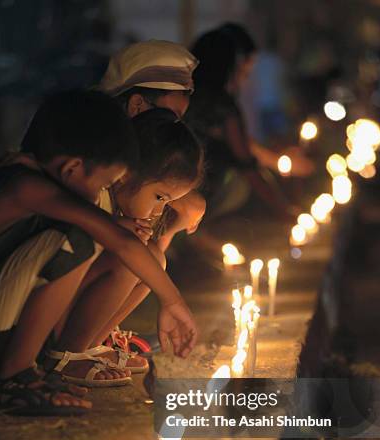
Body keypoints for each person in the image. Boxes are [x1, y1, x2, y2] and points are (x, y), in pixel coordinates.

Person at [0, 90, 197, 416]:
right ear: (73, 168)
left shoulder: (34, 180)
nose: (103, 193)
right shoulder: (26, 186)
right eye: (105, 182)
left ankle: (23, 370)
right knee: (80, 238)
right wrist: (173, 302)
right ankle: (15, 376)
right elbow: (121, 241)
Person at [96, 39, 206, 352]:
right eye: (168, 117)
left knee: (150, 256)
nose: (174, 130)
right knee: (137, 257)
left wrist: (173, 216)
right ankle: (74, 348)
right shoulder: (92, 165)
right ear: (137, 107)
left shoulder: (131, 168)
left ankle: (97, 339)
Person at [71, 107, 205, 359]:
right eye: (159, 197)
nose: (159, 210)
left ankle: (93, 344)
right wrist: (173, 302)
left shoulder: (121, 203)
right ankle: (69, 353)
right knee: (132, 260)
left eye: (167, 202)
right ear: (125, 175)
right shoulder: (93, 194)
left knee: (152, 257)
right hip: (36, 313)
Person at [187, 27, 310, 223]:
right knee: (239, 184)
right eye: (243, 72)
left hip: (175, 184)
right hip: (201, 190)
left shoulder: (187, 95)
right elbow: (247, 163)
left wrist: (277, 160)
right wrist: (283, 209)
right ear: (229, 67)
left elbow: (245, 145)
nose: (244, 80)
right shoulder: (223, 107)